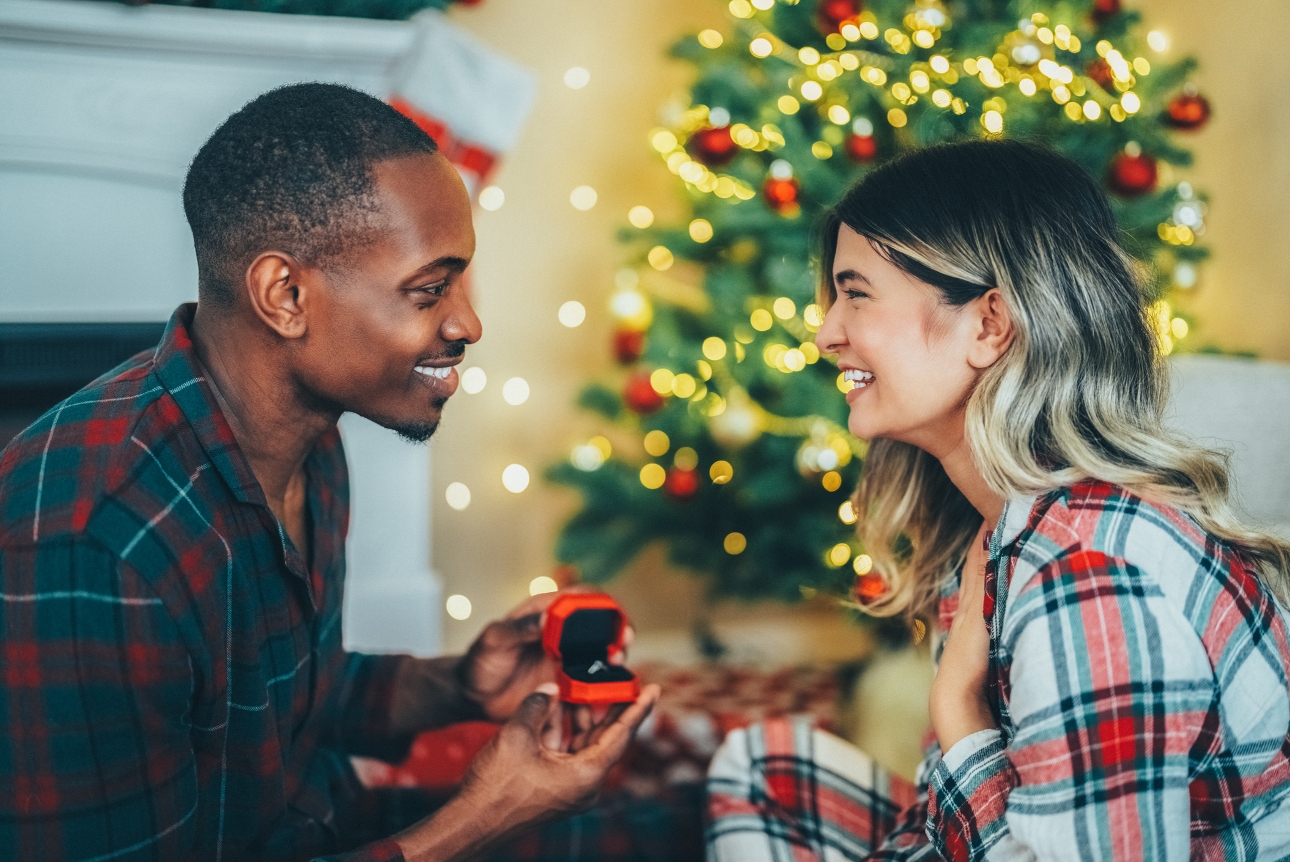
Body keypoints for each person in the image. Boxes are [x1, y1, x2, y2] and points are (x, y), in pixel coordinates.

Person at [0, 83, 658, 862]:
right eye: (430, 290)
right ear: (286, 296)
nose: (468, 323)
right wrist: (485, 817)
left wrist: (460, 685)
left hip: (324, 826)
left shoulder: (309, 442)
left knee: (675, 826)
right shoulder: (96, 549)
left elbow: (288, 698)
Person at [705, 140, 1290, 861]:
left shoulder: (1087, 580)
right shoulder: (998, 524)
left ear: (989, 325)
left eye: (856, 294)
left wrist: (958, 707)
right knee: (764, 765)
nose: (827, 334)